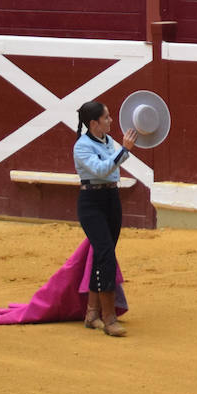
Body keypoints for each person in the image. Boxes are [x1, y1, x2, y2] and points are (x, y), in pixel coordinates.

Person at [73, 99, 136, 337]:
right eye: (106, 118)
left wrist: (125, 149)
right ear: (94, 123)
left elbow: (114, 165)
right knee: (106, 255)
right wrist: (125, 151)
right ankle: (109, 319)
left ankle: (91, 314)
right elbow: (101, 170)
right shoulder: (81, 146)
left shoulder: (108, 141)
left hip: (111, 199)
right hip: (91, 204)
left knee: (103, 255)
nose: (111, 121)